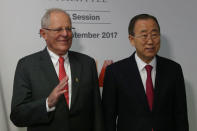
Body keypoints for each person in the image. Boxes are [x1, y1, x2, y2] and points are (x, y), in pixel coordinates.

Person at [10, 8, 103, 131]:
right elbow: (18, 115)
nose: (65, 34)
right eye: (58, 29)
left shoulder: (87, 63)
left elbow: (97, 112)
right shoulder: (26, 66)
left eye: (68, 28)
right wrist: (47, 103)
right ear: (43, 34)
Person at [102, 14, 189, 131]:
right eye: (144, 35)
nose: (150, 41)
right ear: (131, 40)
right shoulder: (115, 72)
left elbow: (181, 115)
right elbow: (108, 119)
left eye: (154, 34)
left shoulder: (173, 70)